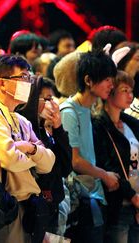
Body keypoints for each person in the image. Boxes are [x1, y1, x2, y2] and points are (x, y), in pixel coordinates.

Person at [0, 54, 55, 243]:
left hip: (28, 204)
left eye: (29, 78)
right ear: (2, 83)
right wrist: (35, 156)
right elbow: (8, 159)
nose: (28, 83)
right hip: (7, 206)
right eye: (23, 77)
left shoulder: (21, 120)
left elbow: (48, 164)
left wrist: (28, 148)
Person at [60, 50, 118, 243]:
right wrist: (105, 175)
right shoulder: (69, 111)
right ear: (88, 80)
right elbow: (75, 161)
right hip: (82, 200)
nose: (112, 85)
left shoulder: (88, 109)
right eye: (107, 79)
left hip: (94, 194)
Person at [17, 77, 73, 235]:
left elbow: (66, 167)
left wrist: (58, 127)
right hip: (33, 212)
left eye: (52, 98)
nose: (52, 104)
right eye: (46, 99)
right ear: (31, 100)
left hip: (52, 208)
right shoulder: (25, 131)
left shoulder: (45, 131)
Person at [92, 70, 139, 243]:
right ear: (110, 91)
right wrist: (133, 196)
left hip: (136, 202)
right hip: (119, 203)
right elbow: (108, 165)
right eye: (124, 90)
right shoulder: (98, 124)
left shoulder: (131, 123)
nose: (130, 95)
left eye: (131, 91)